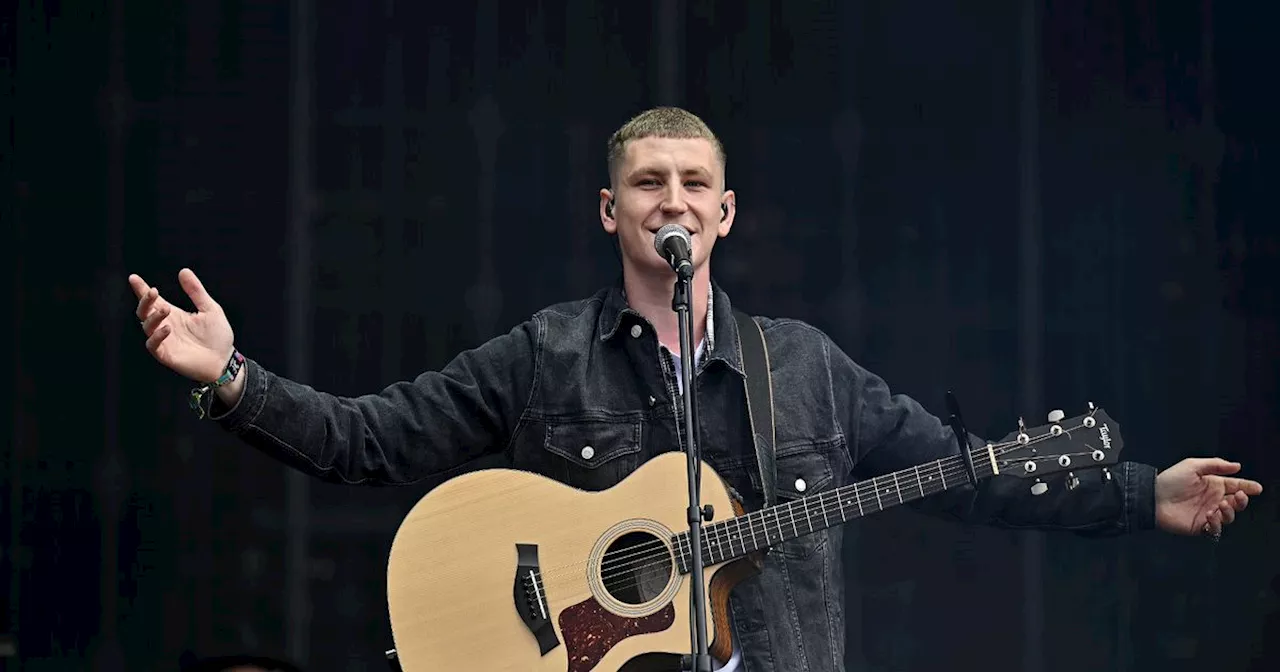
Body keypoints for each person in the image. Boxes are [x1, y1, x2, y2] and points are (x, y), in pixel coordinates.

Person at [129, 107, 1262, 672]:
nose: (670, 199)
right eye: (646, 183)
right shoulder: (542, 353)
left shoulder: (804, 368)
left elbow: (964, 480)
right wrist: (229, 374)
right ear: (609, 211)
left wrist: (1133, 494)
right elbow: (363, 440)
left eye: (693, 184)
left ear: (722, 213)